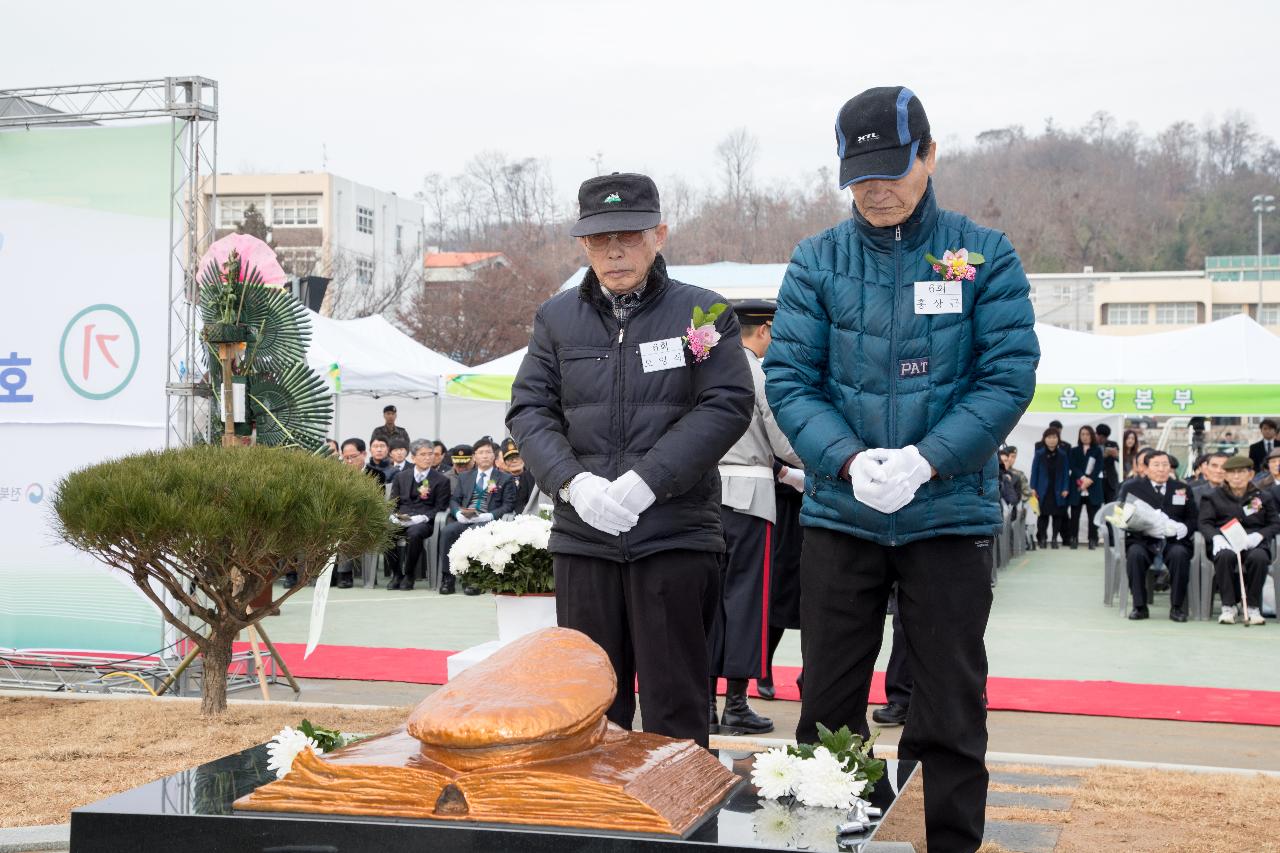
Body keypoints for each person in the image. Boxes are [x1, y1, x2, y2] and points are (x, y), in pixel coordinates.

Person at [763, 86, 1038, 853]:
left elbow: (1008, 374)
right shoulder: (817, 260)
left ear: (930, 154)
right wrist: (847, 460)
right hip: (840, 515)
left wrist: (927, 458)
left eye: (892, 167)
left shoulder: (983, 254)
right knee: (827, 695)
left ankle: (942, 840)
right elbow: (789, 378)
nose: (876, 188)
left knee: (948, 698)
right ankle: (823, 833)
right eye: (860, 173)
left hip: (946, 513)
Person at [508, 171, 754, 749]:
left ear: (659, 234)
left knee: (677, 702)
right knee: (591, 701)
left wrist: (650, 480)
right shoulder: (557, 317)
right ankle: (597, 829)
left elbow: (726, 403)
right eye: (598, 239)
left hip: (674, 536)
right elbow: (529, 410)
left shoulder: (703, 313)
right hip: (584, 540)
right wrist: (572, 483)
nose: (614, 251)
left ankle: (683, 827)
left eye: (629, 235)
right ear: (583, 244)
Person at [708, 299, 804, 736]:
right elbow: (783, 439)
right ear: (763, 330)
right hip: (750, 496)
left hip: (706, 495)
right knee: (746, 602)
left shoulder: (706, 369)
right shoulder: (757, 373)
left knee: (707, 602)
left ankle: (705, 701)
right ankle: (737, 703)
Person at [1198, 454, 1279, 625]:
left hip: (1253, 542)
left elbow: (1274, 523)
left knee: (1259, 558)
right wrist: (1216, 538)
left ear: (1251, 474)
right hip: (1225, 541)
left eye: (1241, 472)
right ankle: (1228, 606)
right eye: (1232, 472)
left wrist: (1260, 535)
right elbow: (1204, 523)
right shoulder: (1213, 497)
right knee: (1224, 556)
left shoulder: (1263, 496)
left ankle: (1252, 606)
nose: (1236, 477)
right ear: (1225, 475)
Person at [1122, 451, 1196, 621]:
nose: (1162, 469)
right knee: (1135, 554)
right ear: (1145, 469)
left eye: (1165, 465)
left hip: (1173, 540)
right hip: (1143, 539)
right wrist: (1143, 528)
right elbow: (1122, 516)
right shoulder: (1132, 487)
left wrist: (1184, 527)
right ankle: (1139, 606)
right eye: (1156, 465)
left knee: (1179, 555)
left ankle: (1177, 607)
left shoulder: (1181, 488)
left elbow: (1193, 518)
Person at [438, 437, 517, 595]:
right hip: (467, 518)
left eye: (488, 452)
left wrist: (489, 515)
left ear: (494, 456)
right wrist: (458, 513)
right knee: (447, 532)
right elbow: (454, 500)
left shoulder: (505, 478)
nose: (485, 456)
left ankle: (474, 579)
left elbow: (509, 505)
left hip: (489, 521)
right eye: (481, 452)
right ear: (474, 457)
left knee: (475, 532)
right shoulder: (465, 477)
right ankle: (448, 578)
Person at [386, 439, 452, 590]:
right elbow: (393, 503)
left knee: (415, 533)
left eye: (430, 454)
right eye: (423, 454)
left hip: (425, 521)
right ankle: (397, 574)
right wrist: (393, 516)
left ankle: (409, 575)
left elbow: (441, 507)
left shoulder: (441, 480)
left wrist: (421, 518)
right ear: (413, 458)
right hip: (403, 517)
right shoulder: (400, 477)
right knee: (387, 531)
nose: (428, 458)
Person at [1030, 429, 1070, 548]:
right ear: (1044, 439)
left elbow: (1066, 473)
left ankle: (1054, 539)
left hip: (1057, 490)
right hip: (1043, 490)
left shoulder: (1063, 455)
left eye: (1054, 437)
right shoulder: (1039, 453)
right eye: (1049, 437)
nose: (1052, 440)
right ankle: (1042, 538)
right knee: (1042, 516)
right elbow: (1034, 472)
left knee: (1057, 516)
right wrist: (1033, 487)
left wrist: (1065, 488)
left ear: (1058, 439)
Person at [1067, 425, 1104, 549]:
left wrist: (1090, 480)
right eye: (1082, 434)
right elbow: (1073, 466)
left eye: (1087, 434)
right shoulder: (1074, 450)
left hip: (1093, 487)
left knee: (1093, 516)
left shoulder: (1097, 450)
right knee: (1074, 516)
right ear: (1079, 436)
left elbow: (1099, 466)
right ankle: (1073, 539)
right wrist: (1083, 478)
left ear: (1092, 435)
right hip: (1077, 487)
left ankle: (1093, 540)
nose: (1085, 437)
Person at [500, 438, 537, 514]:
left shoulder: (533, 476)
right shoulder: (500, 479)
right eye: (509, 458)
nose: (514, 460)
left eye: (517, 456)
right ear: (504, 461)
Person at [1095, 423, 1121, 504]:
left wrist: (1116, 455)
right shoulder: (1092, 445)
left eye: (1105, 438)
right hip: (1096, 480)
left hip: (1110, 481)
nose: (1102, 440)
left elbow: (1120, 461)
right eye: (1100, 437)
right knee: (1096, 507)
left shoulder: (1113, 444)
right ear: (1096, 434)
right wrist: (1103, 456)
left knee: (1111, 506)